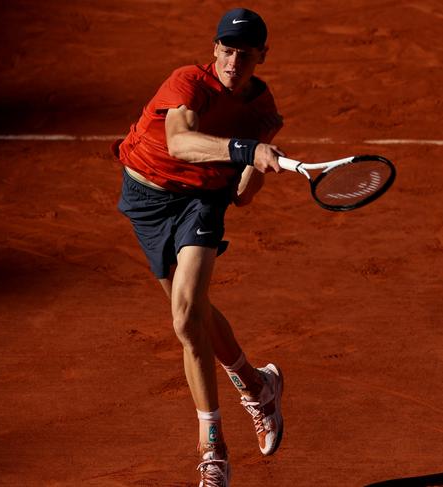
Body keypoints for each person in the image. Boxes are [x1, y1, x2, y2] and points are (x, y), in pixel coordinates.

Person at [113, 7, 285, 487]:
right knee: (197, 308)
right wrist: (246, 150)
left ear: (261, 57)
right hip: (145, 200)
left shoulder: (261, 109)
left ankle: (213, 450)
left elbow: (241, 196)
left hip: (201, 202)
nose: (234, 63)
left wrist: (258, 162)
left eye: (245, 55)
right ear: (214, 50)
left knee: (186, 317)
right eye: (226, 51)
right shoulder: (187, 80)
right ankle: (257, 385)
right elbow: (180, 142)